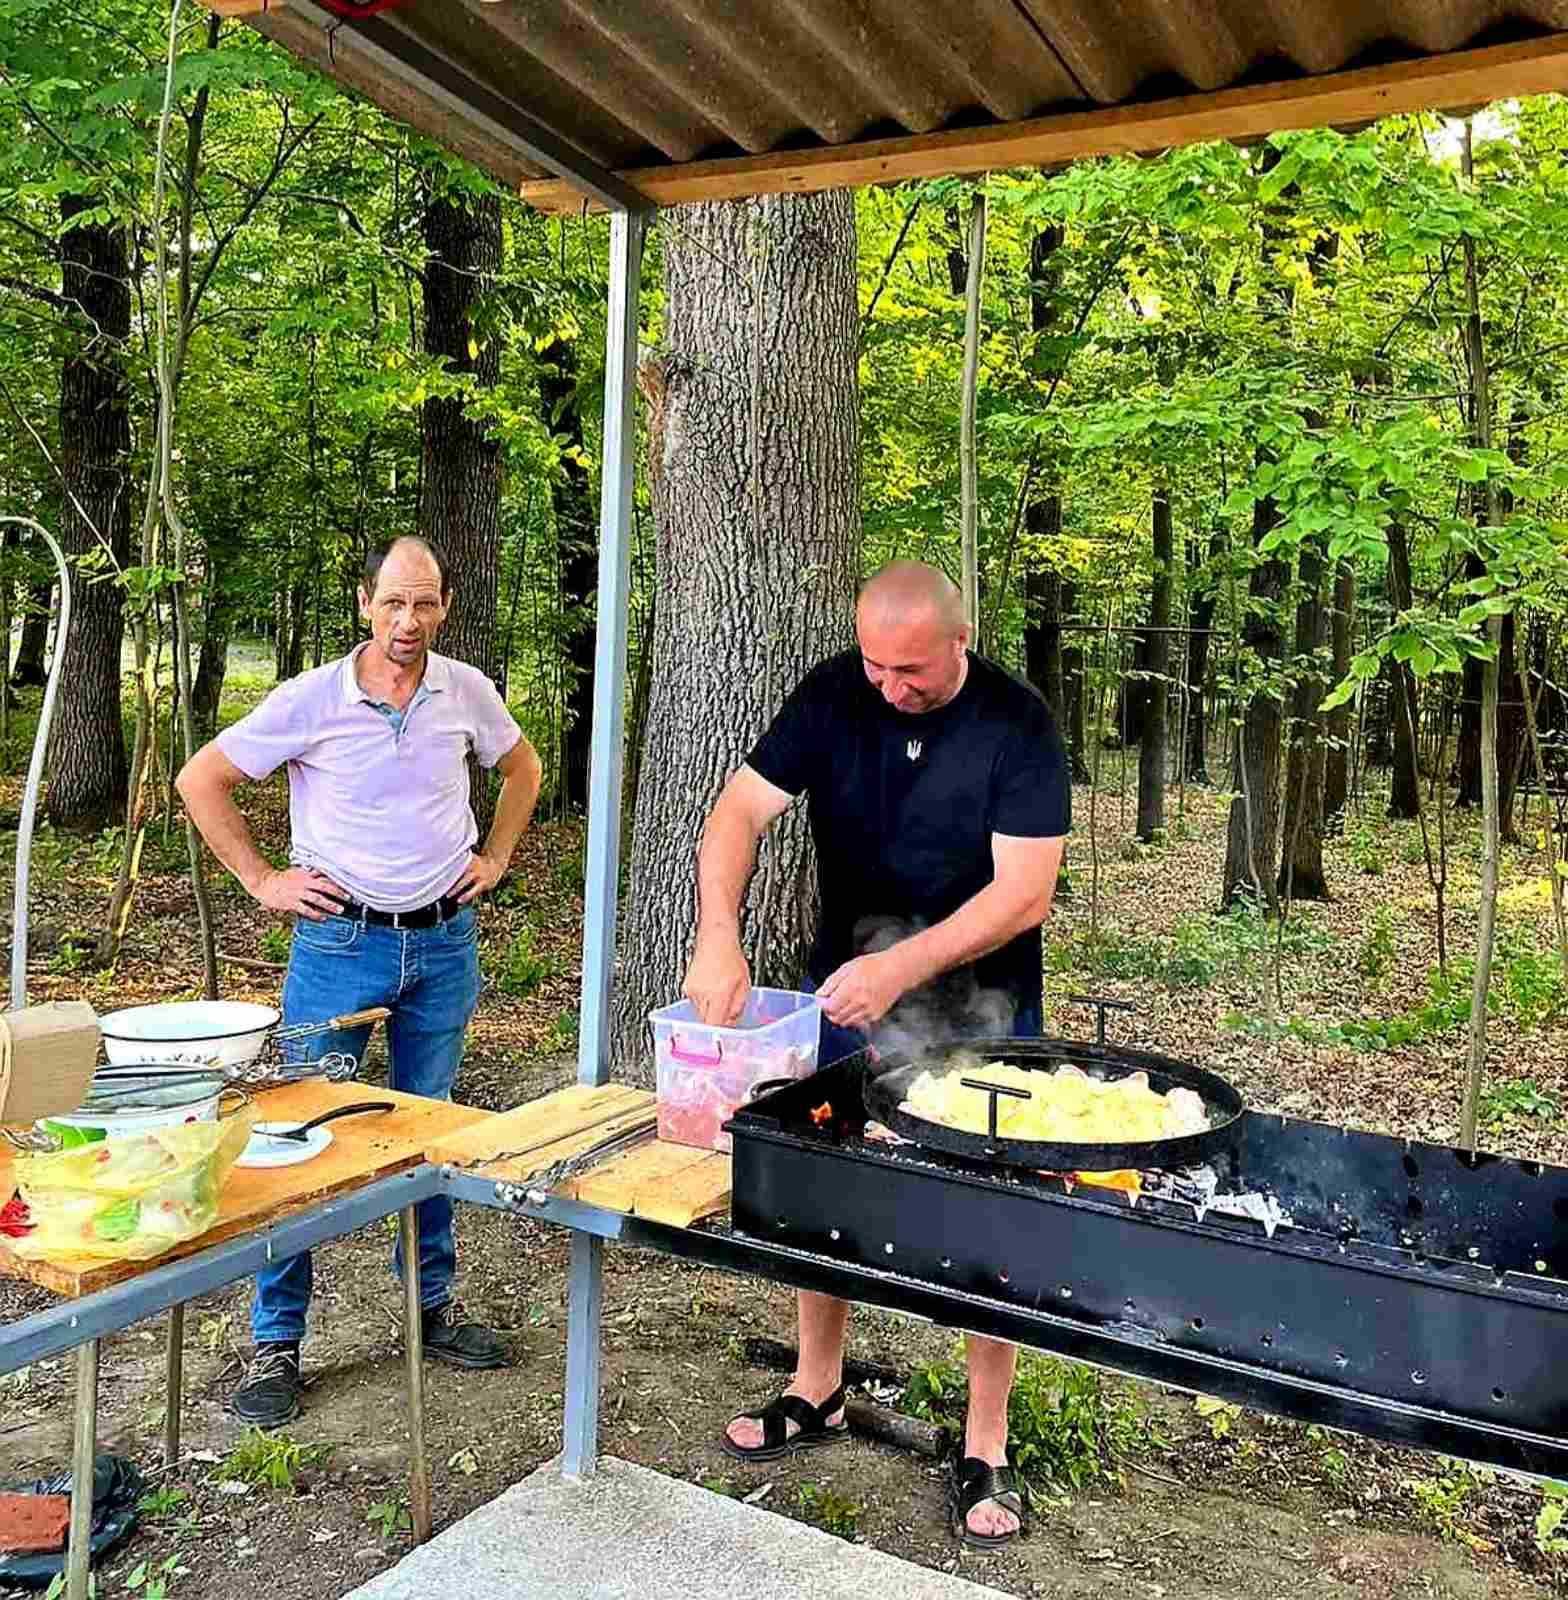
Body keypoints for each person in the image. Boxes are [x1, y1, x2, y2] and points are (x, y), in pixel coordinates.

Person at [683, 560, 1069, 1548]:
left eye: (911, 672)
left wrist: (901, 966)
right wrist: (715, 934)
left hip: (980, 1011)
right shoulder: (829, 694)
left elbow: (1023, 892)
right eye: (875, 665)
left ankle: (985, 1439)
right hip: (841, 994)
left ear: (959, 639)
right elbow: (733, 815)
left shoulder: (1015, 722)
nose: (890, 688)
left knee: (994, 1220)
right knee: (821, 1193)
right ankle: (815, 1388)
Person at [176, 535, 542, 1428]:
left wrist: (495, 854)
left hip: (444, 943)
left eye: (423, 604)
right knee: (299, 1134)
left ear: (446, 606)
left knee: (434, 1130)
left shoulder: (467, 692)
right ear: (364, 605)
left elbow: (523, 768)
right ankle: (276, 1343)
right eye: (392, 604)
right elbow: (202, 779)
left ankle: (430, 1310)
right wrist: (265, 882)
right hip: (340, 947)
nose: (407, 622)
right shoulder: (312, 698)